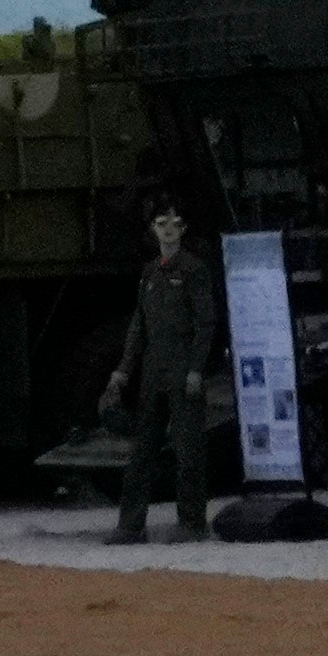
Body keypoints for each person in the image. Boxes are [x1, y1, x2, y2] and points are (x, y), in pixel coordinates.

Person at [97, 199, 223, 543]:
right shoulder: (150, 272)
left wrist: (197, 367)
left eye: (175, 223)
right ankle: (130, 525)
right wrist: (123, 370)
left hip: (183, 368)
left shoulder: (193, 270)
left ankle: (193, 522)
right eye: (162, 223)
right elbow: (139, 325)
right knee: (142, 452)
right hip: (154, 370)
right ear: (153, 230)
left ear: (183, 230)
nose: (168, 229)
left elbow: (206, 322)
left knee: (188, 451)